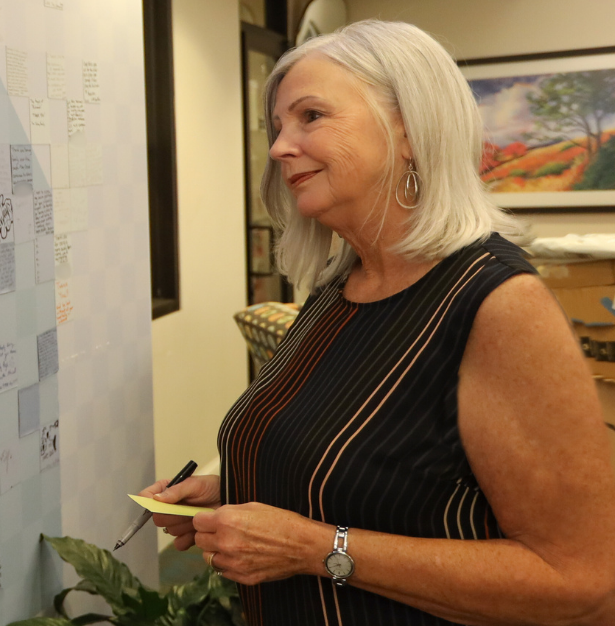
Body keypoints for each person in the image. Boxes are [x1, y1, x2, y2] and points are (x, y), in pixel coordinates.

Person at [141, 19, 615, 626]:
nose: (280, 147)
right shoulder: (340, 285)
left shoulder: (496, 303)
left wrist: (316, 551)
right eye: (278, 126)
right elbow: (382, 478)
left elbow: (582, 585)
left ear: (412, 130)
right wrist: (238, 493)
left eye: (311, 116)